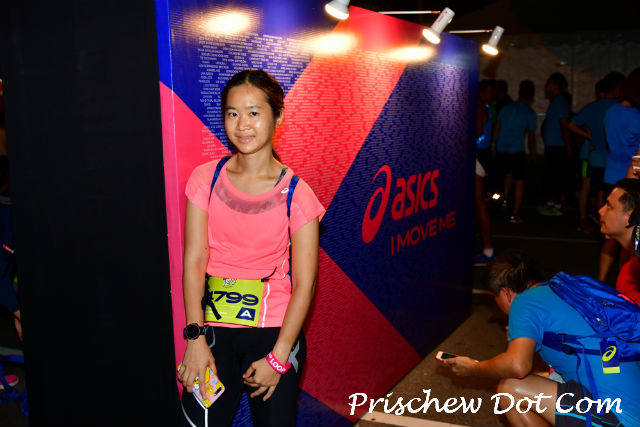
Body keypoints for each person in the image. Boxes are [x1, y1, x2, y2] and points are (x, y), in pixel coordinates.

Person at [177, 69, 325, 427]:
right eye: (232, 113)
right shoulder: (205, 179)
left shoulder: (298, 195)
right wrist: (195, 338)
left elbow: (305, 285)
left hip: (275, 333)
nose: (242, 124)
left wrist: (278, 358)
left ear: (278, 116)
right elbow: (195, 260)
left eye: (254, 112)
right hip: (213, 331)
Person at [444, 249, 640, 427]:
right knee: (532, 380)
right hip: (629, 409)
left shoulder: (525, 301)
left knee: (510, 389)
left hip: (615, 417)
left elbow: (517, 366)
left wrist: (474, 368)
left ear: (505, 293)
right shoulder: (566, 291)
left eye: (493, 298)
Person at [599, 69, 640, 281]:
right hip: (631, 180)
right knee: (628, 234)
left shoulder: (611, 111)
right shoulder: (636, 117)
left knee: (611, 231)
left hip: (612, 174)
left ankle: (602, 278)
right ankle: (624, 282)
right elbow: (637, 161)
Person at [569, 75, 622, 233]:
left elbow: (572, 124)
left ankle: (586, 219)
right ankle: (599, 221)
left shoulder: (593, 107)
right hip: (605, 157)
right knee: (601, 190)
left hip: (592, 156)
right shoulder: (618, 107)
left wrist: (588, 136)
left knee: (589, 187)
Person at [493, 80, 537, 223]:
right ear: (532, 96)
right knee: (519, 181)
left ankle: (503, 200)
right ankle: (515, 213)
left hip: (501, 149)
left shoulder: (507, 107)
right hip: (517, 151)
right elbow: (531, 138)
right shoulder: (530, 112)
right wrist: (533, 154)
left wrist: (493, 144)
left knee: (506, 175)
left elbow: (497, 127)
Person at [598, 178, 640, 304]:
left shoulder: (633, 271)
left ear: (631, 216)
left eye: (609, 206)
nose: (601, 211)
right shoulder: (629, 267)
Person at [539, 73, 572, 216]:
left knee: (556, 177)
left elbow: (564, 124)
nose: (546, 86)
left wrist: (568, 145)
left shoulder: (560, 100)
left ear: (555, 84)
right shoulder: (556, 101)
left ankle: (556, 204)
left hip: (558, 145)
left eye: (549, 83)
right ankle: (553, 203)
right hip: (554, 144)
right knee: (552, 176)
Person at [473, 80, 497, 266]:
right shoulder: (487, 106)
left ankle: (488, 250)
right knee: (477, 203)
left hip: (477, 156)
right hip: (484, 155)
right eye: (490, 91)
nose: (493, 94)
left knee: (479, 203)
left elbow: (477, 131)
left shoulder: (480, 105)